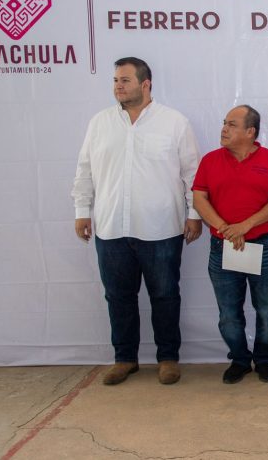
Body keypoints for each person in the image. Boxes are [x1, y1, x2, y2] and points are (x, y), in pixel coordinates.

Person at [72, 57, 202, 385]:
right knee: (118, 296)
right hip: (111, 226)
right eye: (116, 80)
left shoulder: (174, 122)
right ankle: (125, 358)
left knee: (165, 295)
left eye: (126, 80)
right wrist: (82, 211)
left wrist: (194, 214)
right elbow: (85, 168)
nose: (118, 86)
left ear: (146, 84)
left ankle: (168, 358)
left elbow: (192, 174)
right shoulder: (99, 123)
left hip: (162, 228)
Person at [193, 105, 268, 384]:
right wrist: (225, 229)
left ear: (250, 131)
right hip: (222, 246)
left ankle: (263, 360)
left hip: (262, 246)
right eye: (224, 123)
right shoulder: (210, 161)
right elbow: (199, 198)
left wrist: (245, 226)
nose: (224, 129)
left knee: (266, 309)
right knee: (228, 312)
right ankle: (239, 359)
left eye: (232, 124)